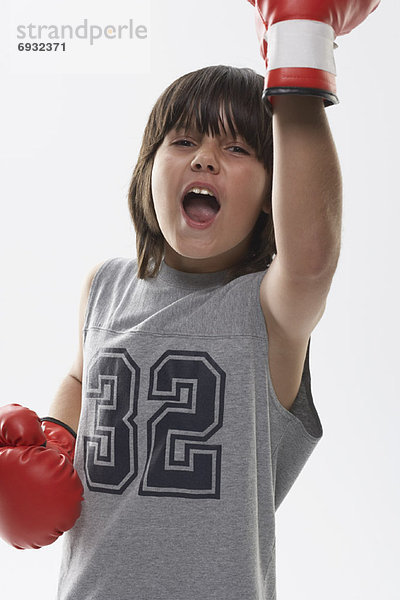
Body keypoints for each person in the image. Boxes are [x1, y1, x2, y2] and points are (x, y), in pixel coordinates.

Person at [0, 1, 381, 598]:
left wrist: (298, 54)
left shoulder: (269, 311)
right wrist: (51, 437)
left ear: (270, 195)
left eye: (237, 150)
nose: (205, 156)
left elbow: (310, 259)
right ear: (147, 170)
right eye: (182, 140)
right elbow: (80, 376)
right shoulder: (103, 285)